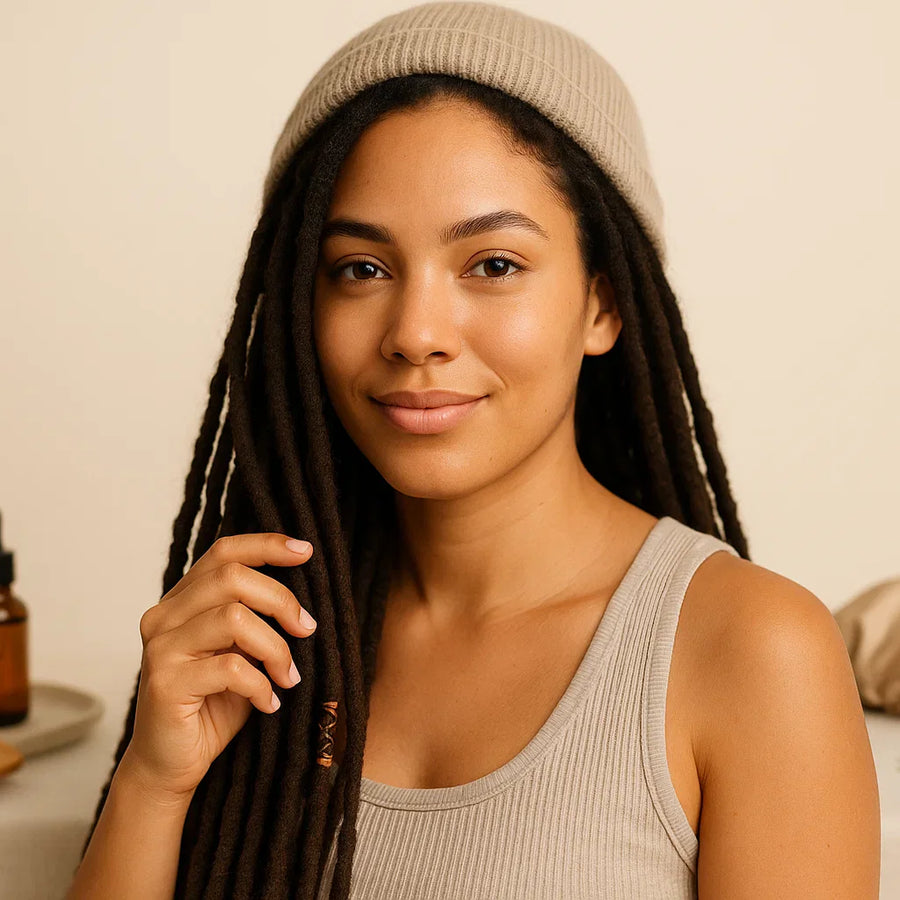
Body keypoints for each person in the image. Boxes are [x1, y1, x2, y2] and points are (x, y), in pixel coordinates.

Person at [67, 3, 881, 898]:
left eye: (494, 265)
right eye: (361, 269)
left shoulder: (754, 651)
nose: (416, 333)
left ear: (603, 305)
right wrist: (154, 781)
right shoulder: (259, 643)